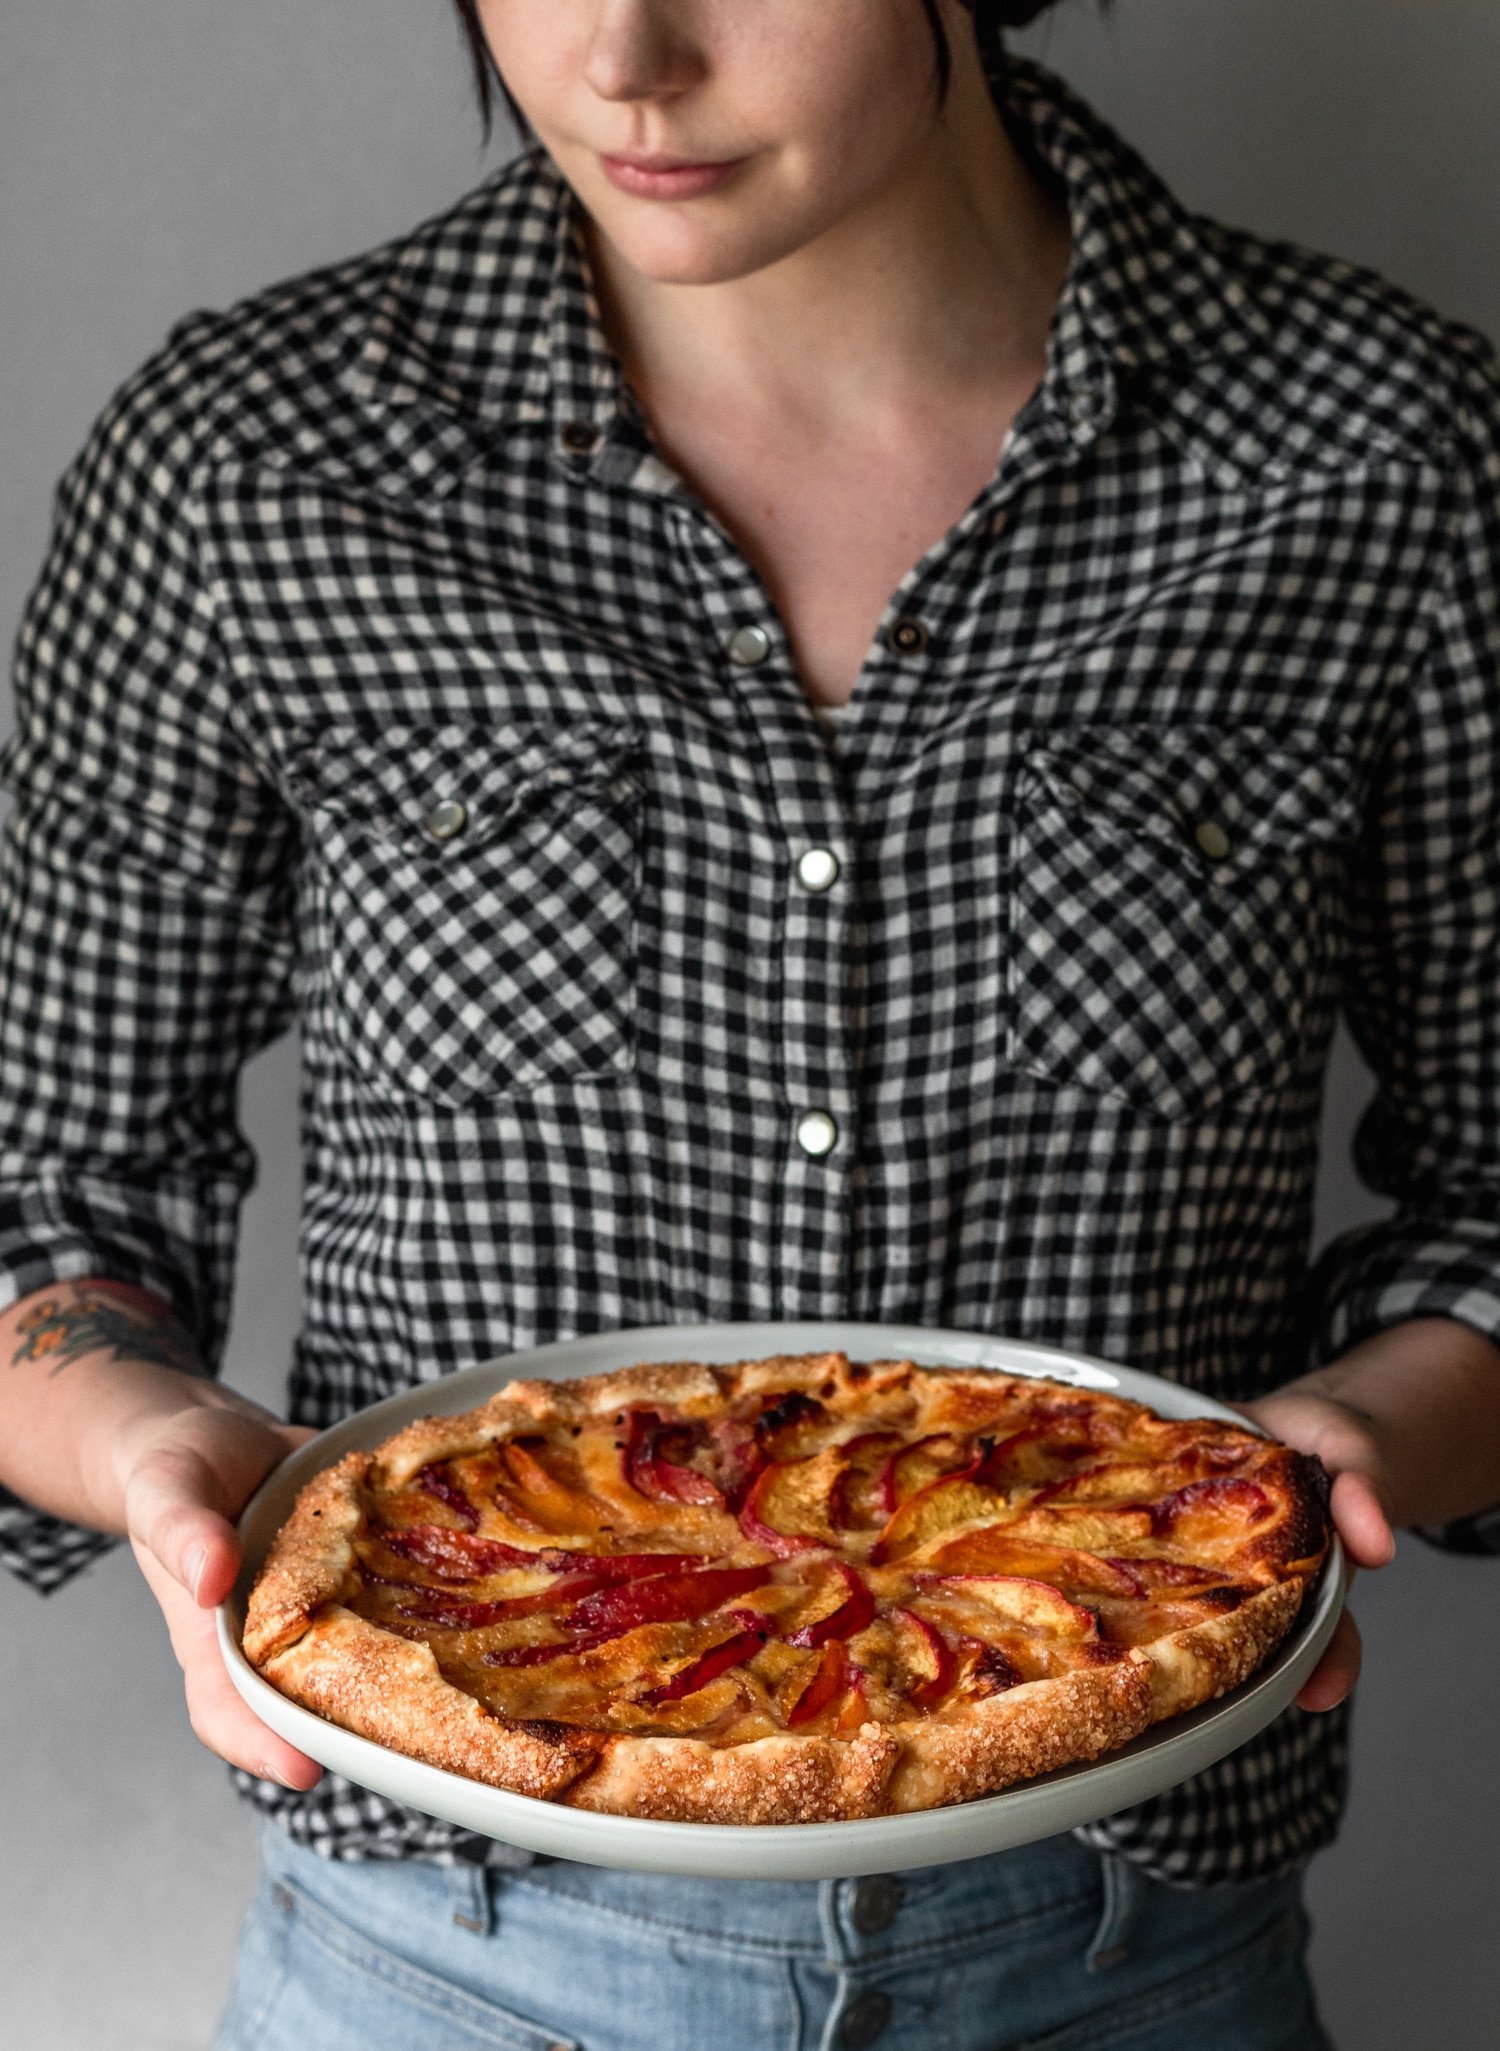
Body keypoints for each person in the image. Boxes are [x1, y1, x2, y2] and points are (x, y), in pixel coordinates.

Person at [3, 2, 1499, 2044]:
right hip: (437, 1962)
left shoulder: (1384, 452)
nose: (626, 53)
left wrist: (1341, 1452)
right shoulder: (251, 464)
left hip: (1128, 1960)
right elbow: (45, 1195)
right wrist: (161, 1446)